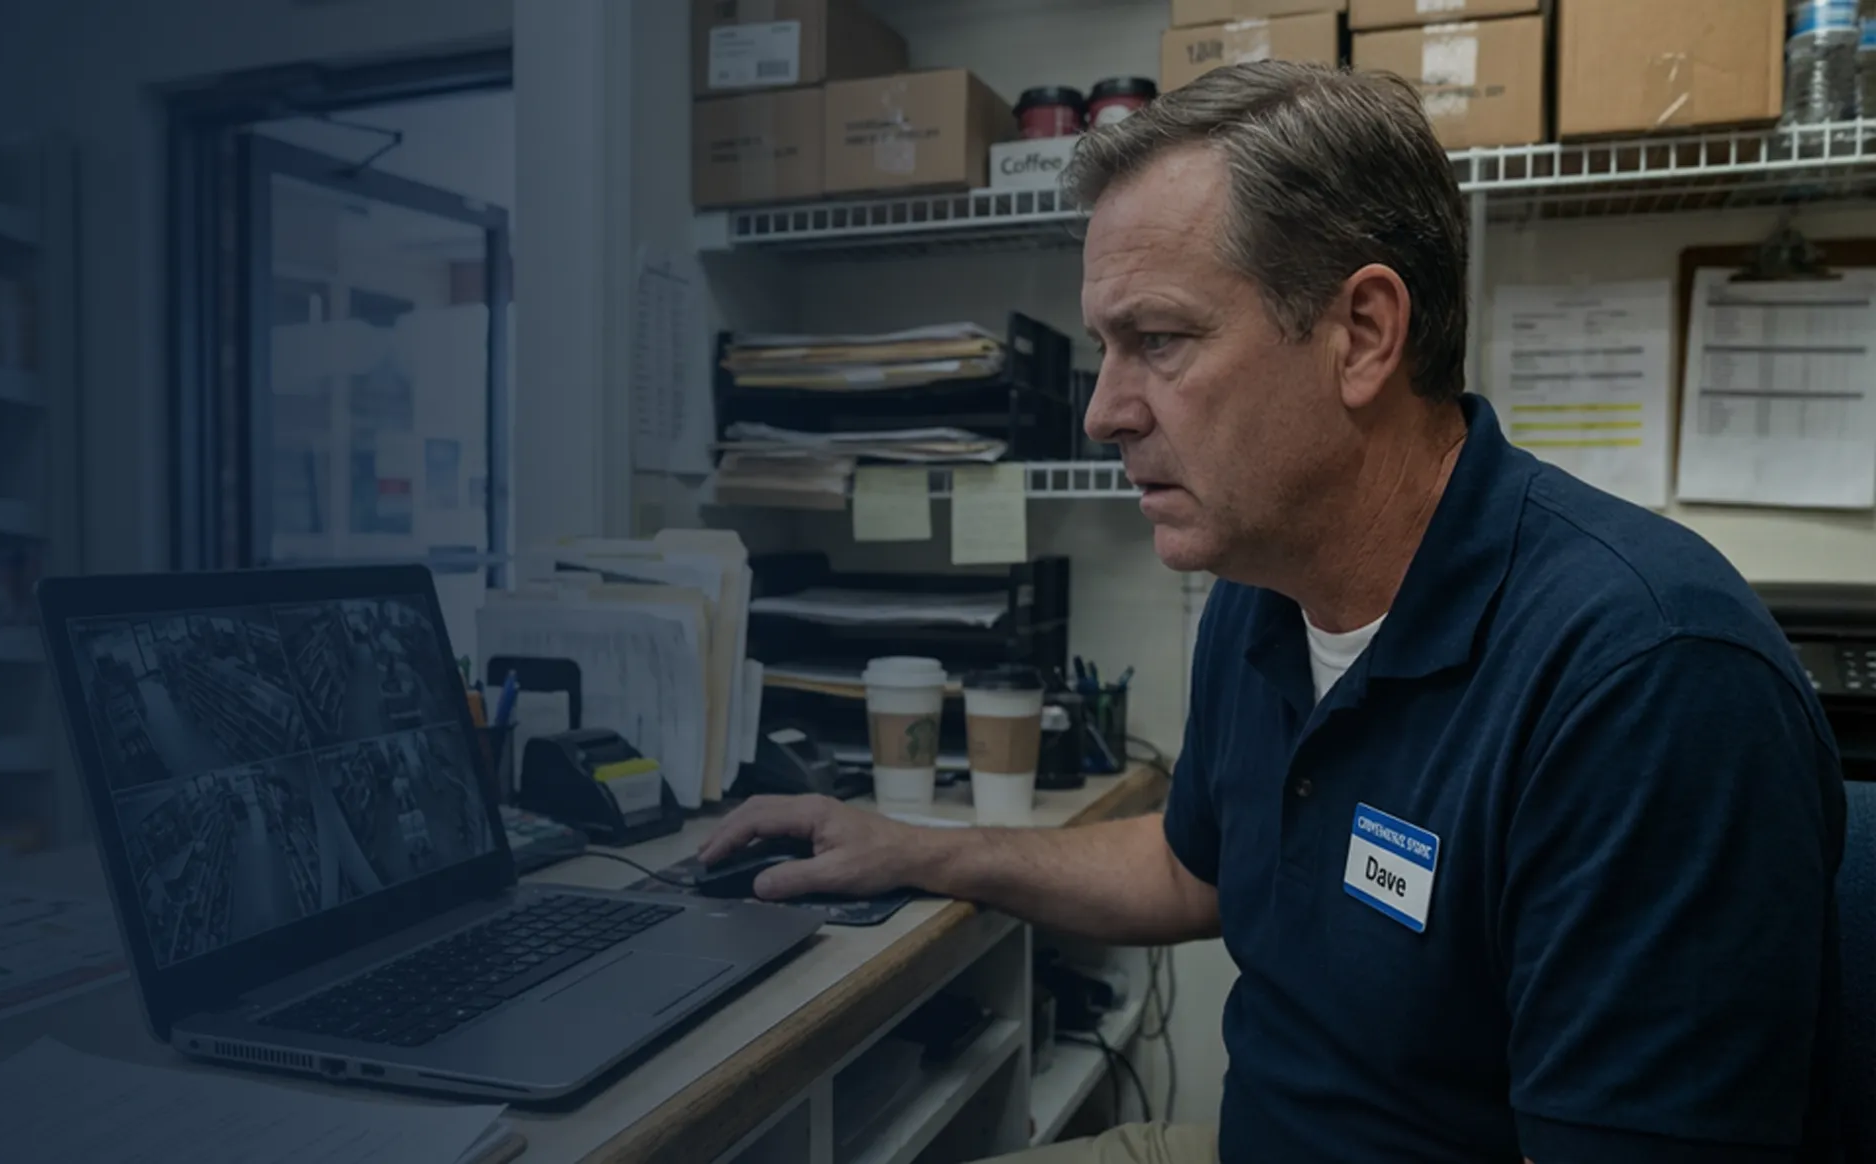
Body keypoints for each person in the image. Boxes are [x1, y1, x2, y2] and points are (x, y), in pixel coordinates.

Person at [701, 62, 1847, 1164]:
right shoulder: (1261, 588)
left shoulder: (1645, 679)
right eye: (1106, 350)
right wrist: (920, 849)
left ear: (1360, 334)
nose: (1102, 411)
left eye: (1157, 341)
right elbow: (1191, 865)